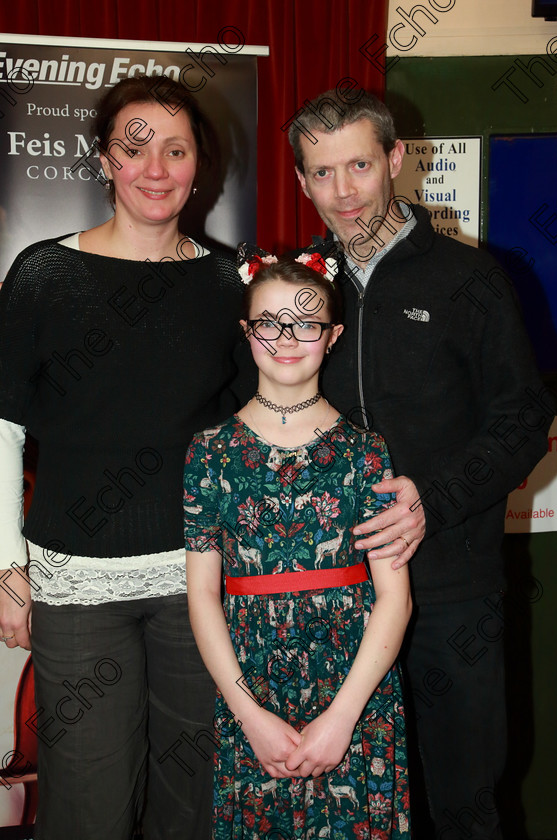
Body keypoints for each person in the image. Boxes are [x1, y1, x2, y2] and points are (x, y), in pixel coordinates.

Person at [286, 90, 552, 838]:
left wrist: (433, 500)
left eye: (360, 165)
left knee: (464, 802)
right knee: (345, 805)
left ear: (396, 159)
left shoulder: (472, 281)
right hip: (329, 593)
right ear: (302, 180)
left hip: (449, 589)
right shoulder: (295, 290)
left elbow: (524, 418)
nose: (343, 192)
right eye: (322, 172)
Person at [0, 75, 250, 840]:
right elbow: (1, 425)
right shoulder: (43, 273)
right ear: (104, 161)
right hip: (76, 586)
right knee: (88, 807)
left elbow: (247, 433)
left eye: (175, 151)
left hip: (200, 582)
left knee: (194, 798)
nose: (155, 168)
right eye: (134, 148)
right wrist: (7, 565)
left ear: (198, 167)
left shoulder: (225, 280)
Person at [184, 252, 412, 839]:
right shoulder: (209, 452)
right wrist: (248, 715)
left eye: (305, 323)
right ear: (247, 331)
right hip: (251, 686)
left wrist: (341, 718)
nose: (287, 338)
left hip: (355, 691)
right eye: (269, 322)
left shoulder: (367, 453)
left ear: (332, 335)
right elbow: (203, 597)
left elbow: (395, 599)